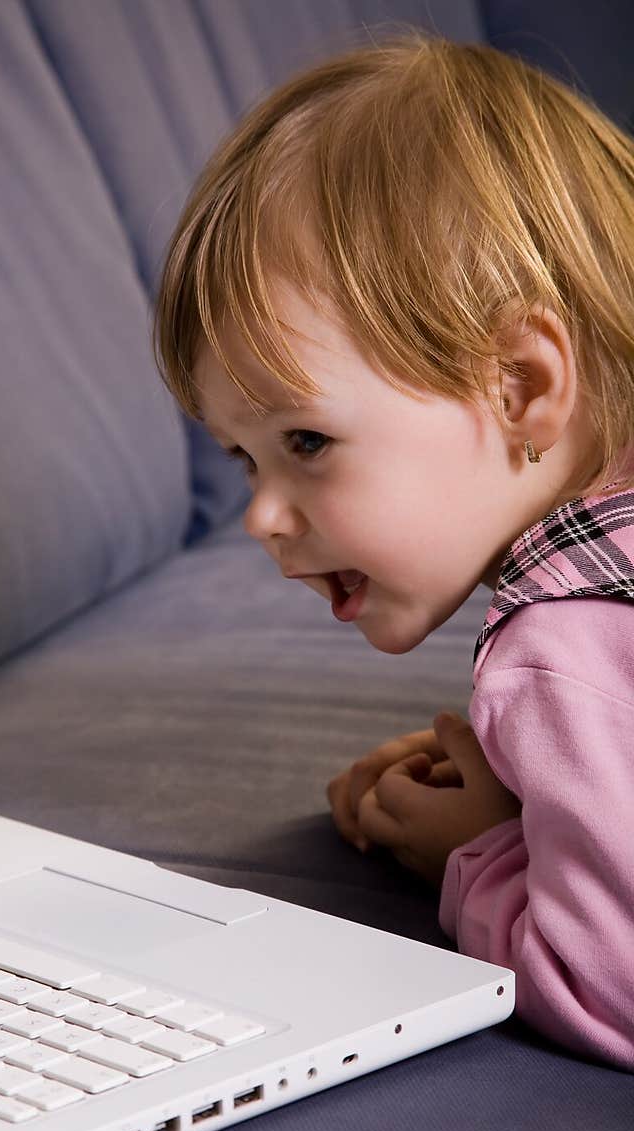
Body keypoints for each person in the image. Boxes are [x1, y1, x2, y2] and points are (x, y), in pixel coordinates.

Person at [151, 32, 634, 1070]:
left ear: (520, 386)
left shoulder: (559, 652)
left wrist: (477, 848)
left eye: (307, 443)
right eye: (244, 460)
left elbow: (610, 985)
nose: (262, 516)